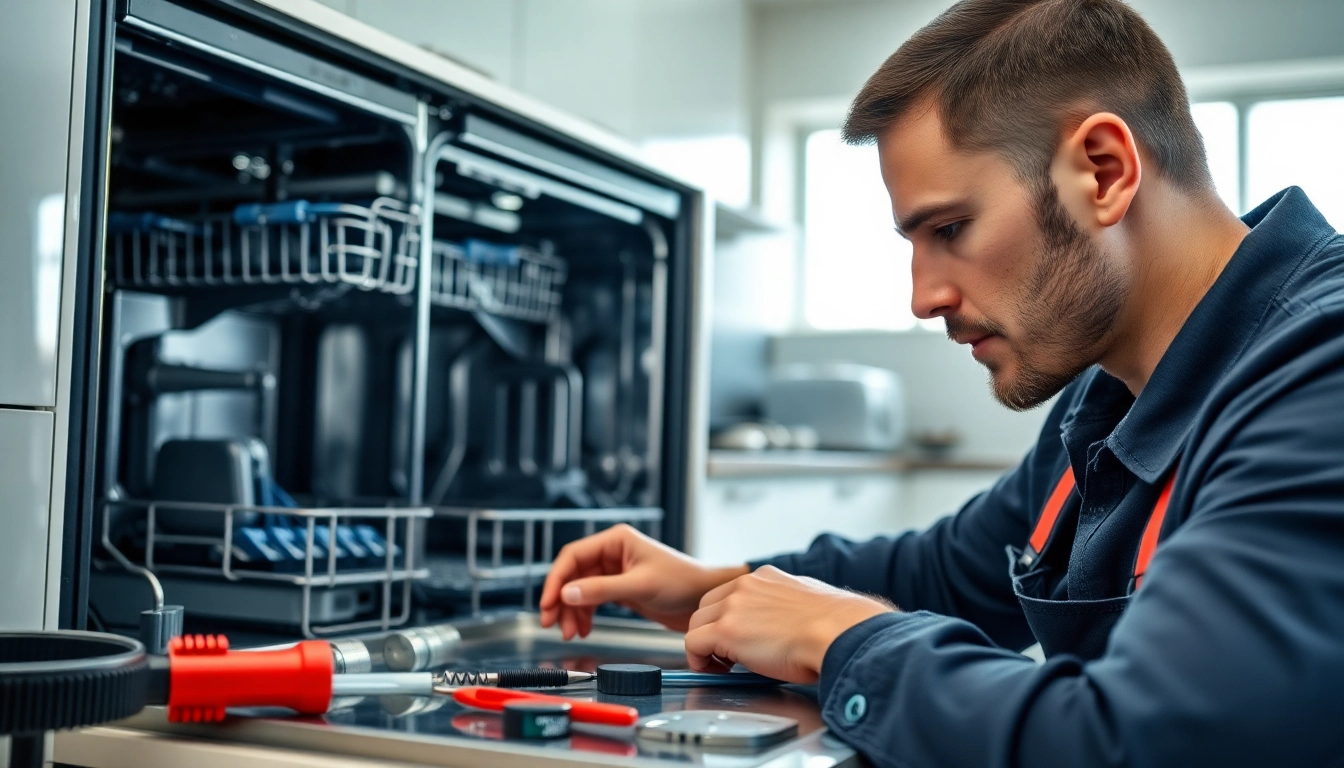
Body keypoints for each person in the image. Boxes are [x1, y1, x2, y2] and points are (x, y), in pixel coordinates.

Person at [540, 0, 1344, 765]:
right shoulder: (1107, 399)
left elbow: (1146, 743)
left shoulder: (1319, 370)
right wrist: (719, 586)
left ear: (1102, 171)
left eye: (951, 229)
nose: (923, 297)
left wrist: (843, 638)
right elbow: (951, 572)